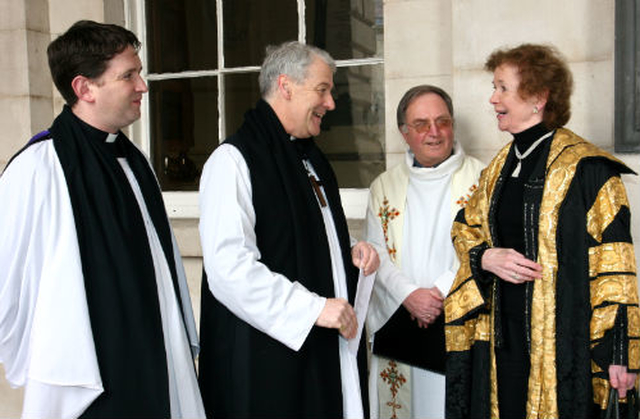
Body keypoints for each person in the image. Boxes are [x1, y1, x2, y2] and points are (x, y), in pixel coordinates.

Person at [0, 20, 204, 418]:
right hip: (85, 373)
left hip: (156, 353)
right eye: (129, 75)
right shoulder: (39, 167)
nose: (143, 85)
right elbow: (7, 278)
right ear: (84, 88)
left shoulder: (134, 161)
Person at [444, 43, 639, 419]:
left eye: (502, 87)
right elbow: (465, 227)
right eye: (494, 86)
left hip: (566, 345)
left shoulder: (589, 171)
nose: (492, 98)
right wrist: (485, 257)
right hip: (503, 342)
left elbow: (616, 271)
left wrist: (619, 357)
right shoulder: (497, 169)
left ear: (538, 96)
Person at [197, 41, 379, 419]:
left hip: (319, 352)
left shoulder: (310, 158)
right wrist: (313, 308)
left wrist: (348, 251)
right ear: (286, 86)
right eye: (323, 90)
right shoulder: (232, 161)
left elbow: (307, 235)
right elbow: (229, 269)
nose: (331, 103)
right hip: (266, 360)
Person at [365, 85, 484, 419]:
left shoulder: (482, 178)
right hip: (401, 327)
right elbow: (375, 252)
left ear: (452, 125)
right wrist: (409, 295)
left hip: (458, 324)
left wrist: (438, 292)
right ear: (405, 133)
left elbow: (486, 245)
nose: (434, 132)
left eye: (442, 121)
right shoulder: (384, 186)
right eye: (421, 124)